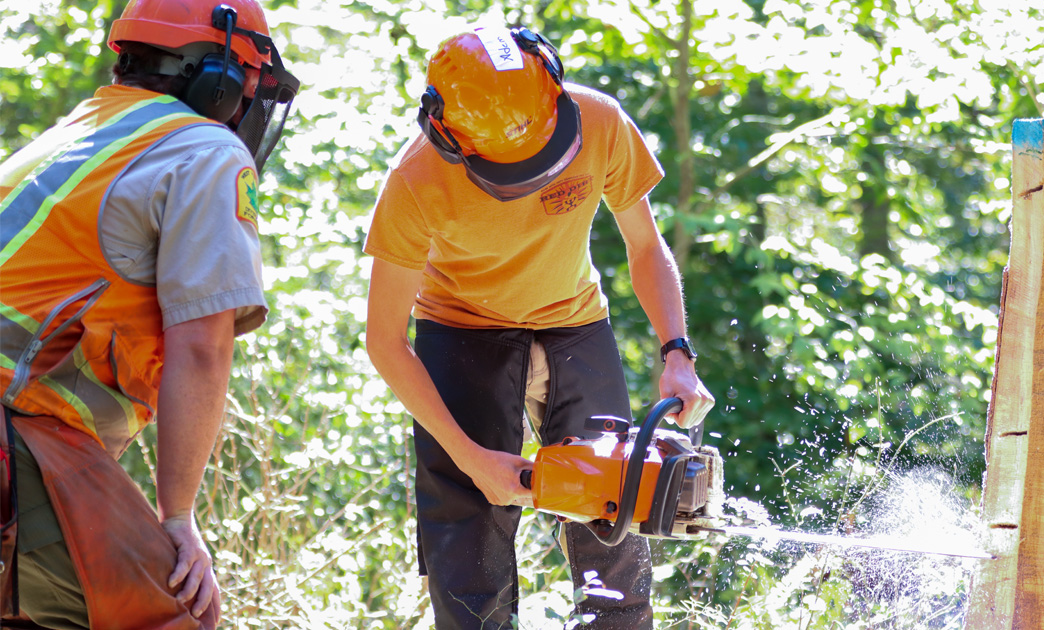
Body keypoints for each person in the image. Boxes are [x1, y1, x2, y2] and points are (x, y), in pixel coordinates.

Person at [364, 25, 715, 629]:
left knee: (615, 517)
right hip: (461, 328)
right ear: (450, 138)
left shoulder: (600, 122)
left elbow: (646, 246)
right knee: (470, 560)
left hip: (573, 320)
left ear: (554, 93)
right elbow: (385, 341)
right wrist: (473, 459)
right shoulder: (415, 182)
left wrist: (677, 353)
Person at [0, 0, 299, 627]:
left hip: (28, 436)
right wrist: (177, 518)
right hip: (18, 433)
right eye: (245, 87)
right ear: (214, 81)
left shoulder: (77, 131)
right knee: (172, 614)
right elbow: (203, 345)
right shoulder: (204, 148)